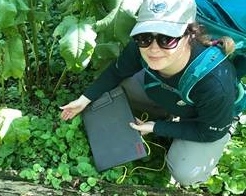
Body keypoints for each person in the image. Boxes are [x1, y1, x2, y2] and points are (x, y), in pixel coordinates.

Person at [60, 0, 237, 186]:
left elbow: (208, 133)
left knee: (186, 173)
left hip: (205, 120)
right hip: (171, 95)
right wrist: (84, 99)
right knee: (121, 86)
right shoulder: (141, 48)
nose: (153, 49)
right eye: (144, 37)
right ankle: (168, 112)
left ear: (189, 36)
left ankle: (225, 124)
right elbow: (117, 71)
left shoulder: (215, 84)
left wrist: (156, 127)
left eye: (166, 39)